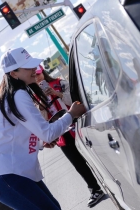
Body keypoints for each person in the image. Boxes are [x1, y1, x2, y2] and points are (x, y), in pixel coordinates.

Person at [0, 47, 86, 210]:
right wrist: (71, 114)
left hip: (7, 173)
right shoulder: (17, 95)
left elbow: (13, 135)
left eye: (32, 65)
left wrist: (39, 142)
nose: (33, 70)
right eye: (27, 67)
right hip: (5, 174)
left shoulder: (6, 96)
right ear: (13, 73)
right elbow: (48, 133)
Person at [35, 65, 105, 208]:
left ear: (43, 72)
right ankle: (95, 189)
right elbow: (40, 122)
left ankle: (111, 178)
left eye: (38, 74)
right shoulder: (35, 98)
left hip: (77, 125)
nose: (37, 78)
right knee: (77, 163)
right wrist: (41, 107)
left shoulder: (60, 83)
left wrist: (56, 93)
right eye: (34, 76)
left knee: (93, 155)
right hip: (61, 133)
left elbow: (74, 99)